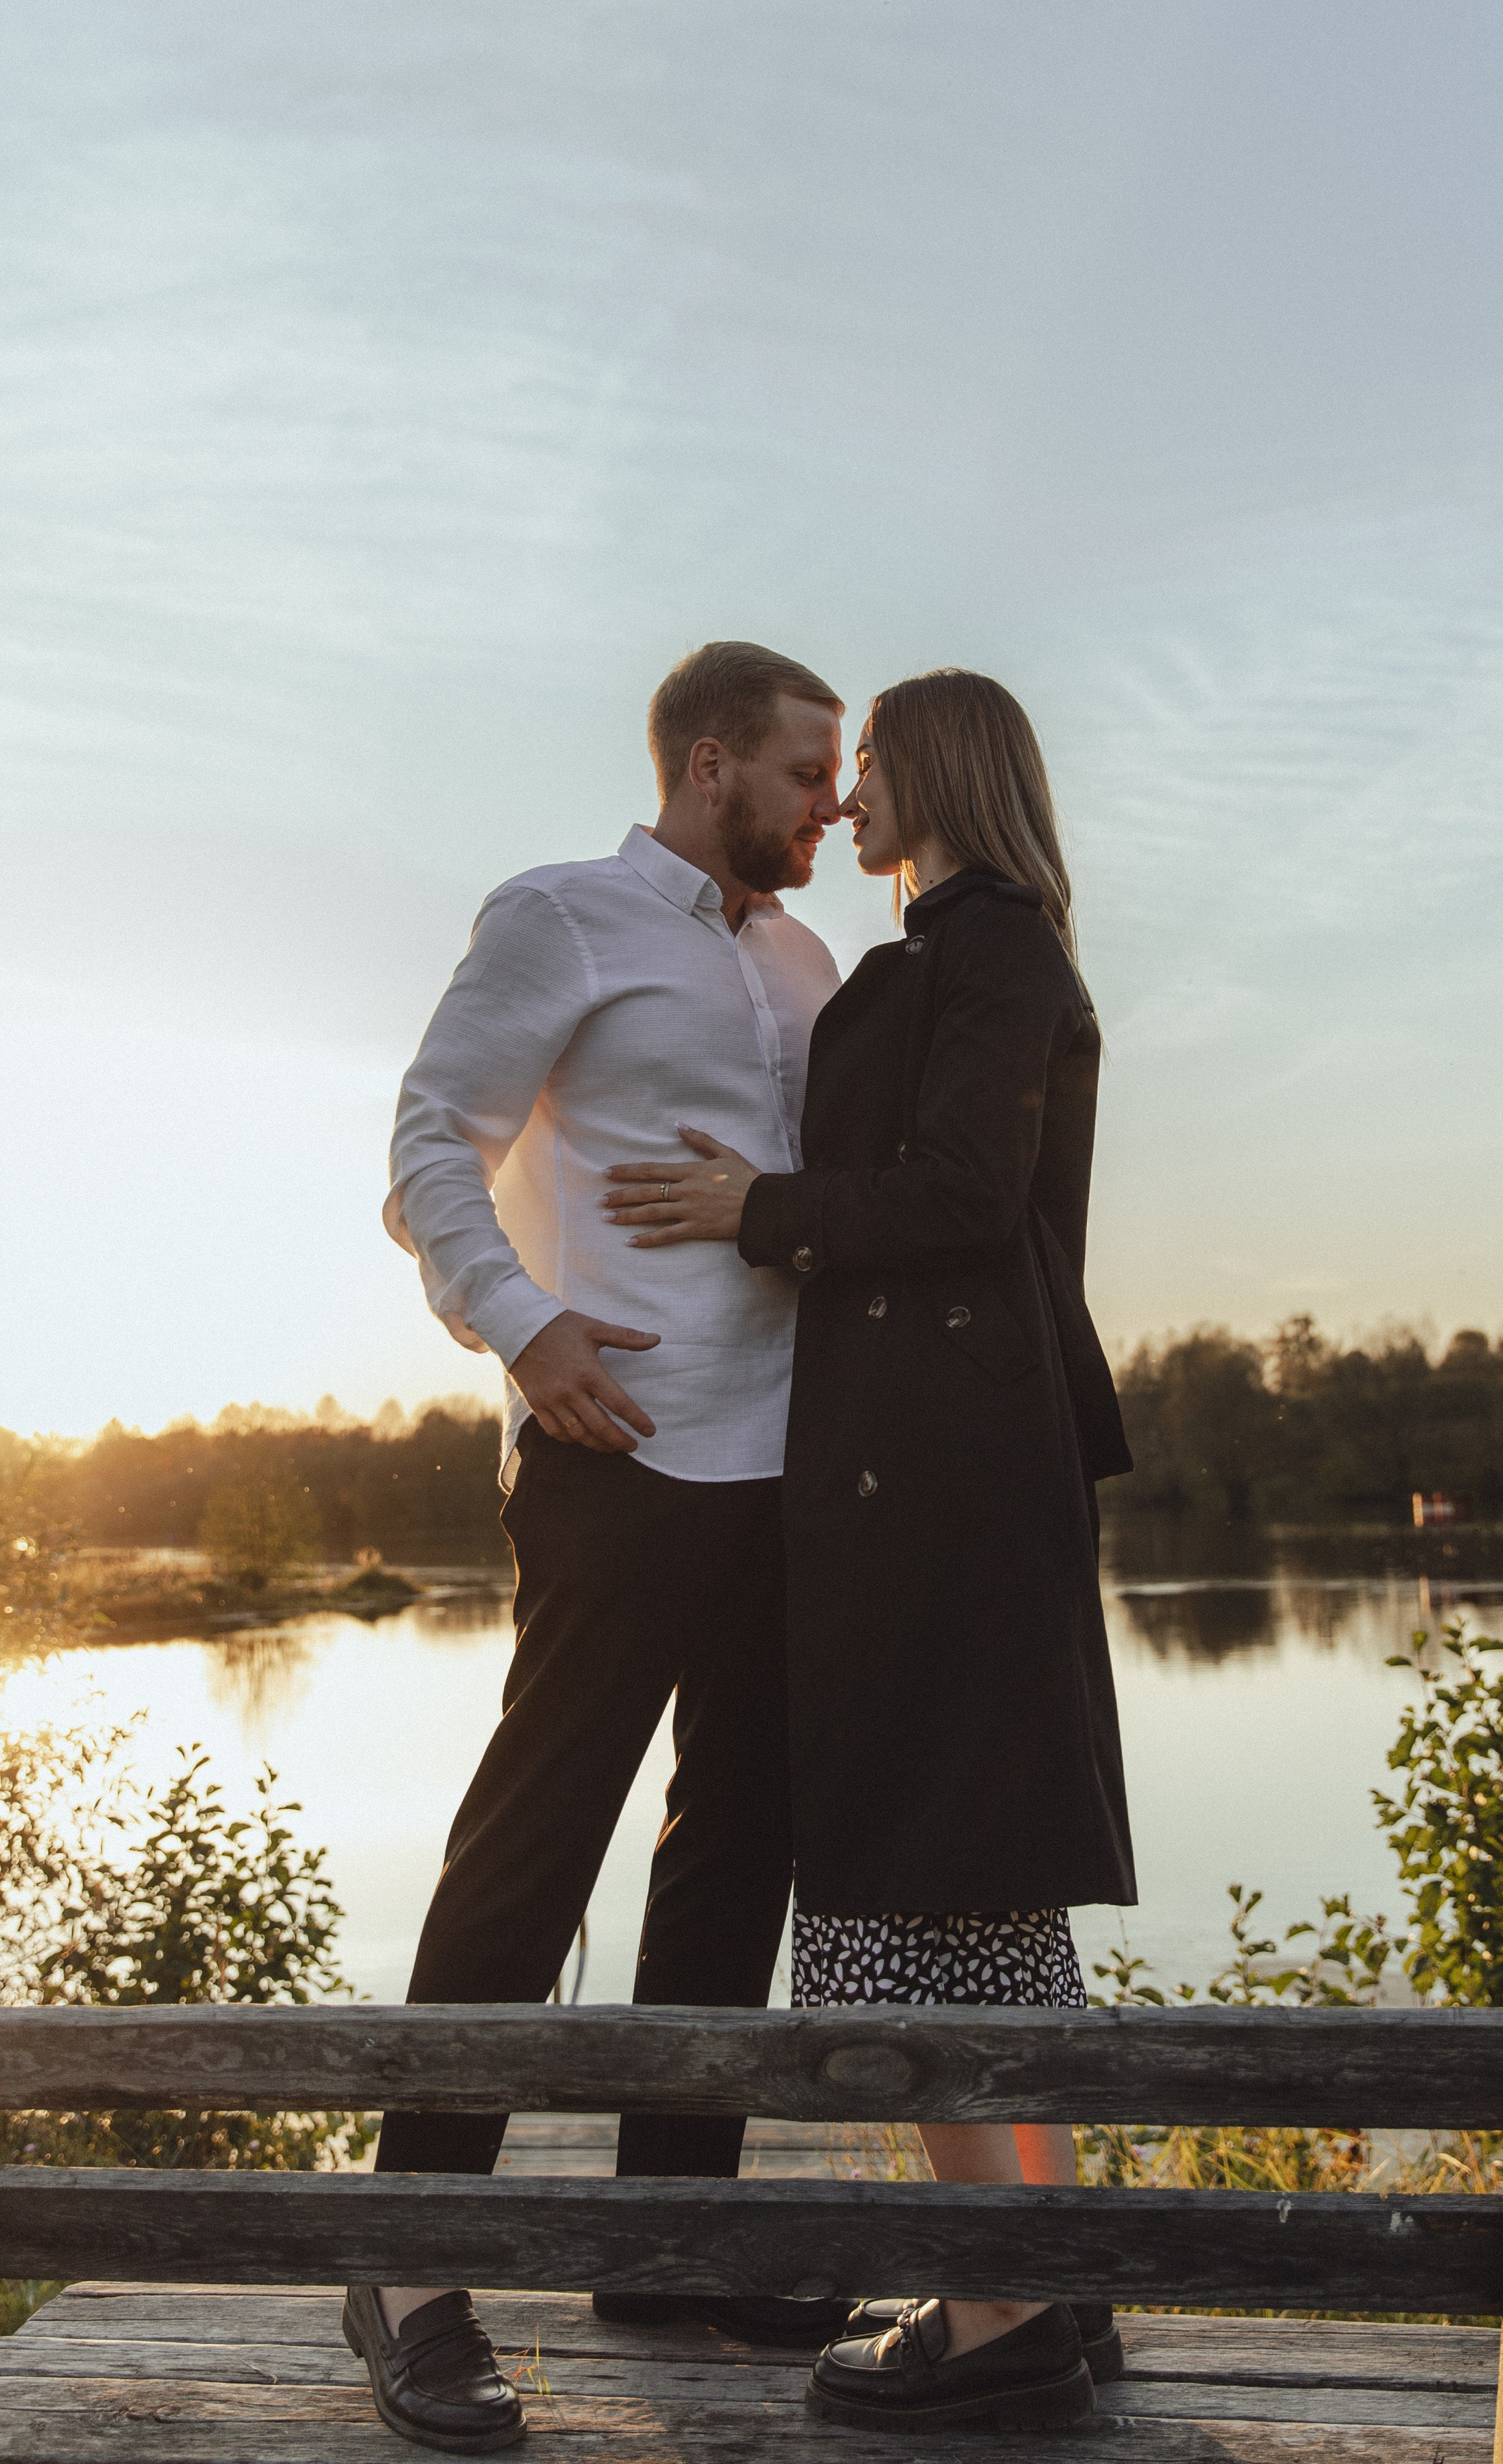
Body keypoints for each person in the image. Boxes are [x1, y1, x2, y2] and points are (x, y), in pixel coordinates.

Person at [603, 666, 1137, 2435]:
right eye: (824, 778)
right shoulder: (965, 952)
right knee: (968, 1894)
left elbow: (966, 1198)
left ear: (942, 777)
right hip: (935, 1474)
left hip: (936, 1484)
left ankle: (995, 2316)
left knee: (913, 1884)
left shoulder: (979, 953)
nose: (841, 805)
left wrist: (756, 1211)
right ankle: (1040, 2281)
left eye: (869, 770)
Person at [341, 641, 849, 2455]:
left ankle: (664, 2230)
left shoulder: (806, 960)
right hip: (612, 1450)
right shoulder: (559, 917)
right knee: (537, 1837)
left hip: (789, 1470)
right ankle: (408, 2260)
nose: (831, 805)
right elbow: (426, 1147)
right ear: (709, 763)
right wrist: (522, 1324)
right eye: (803, 773)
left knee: (735, 1855)